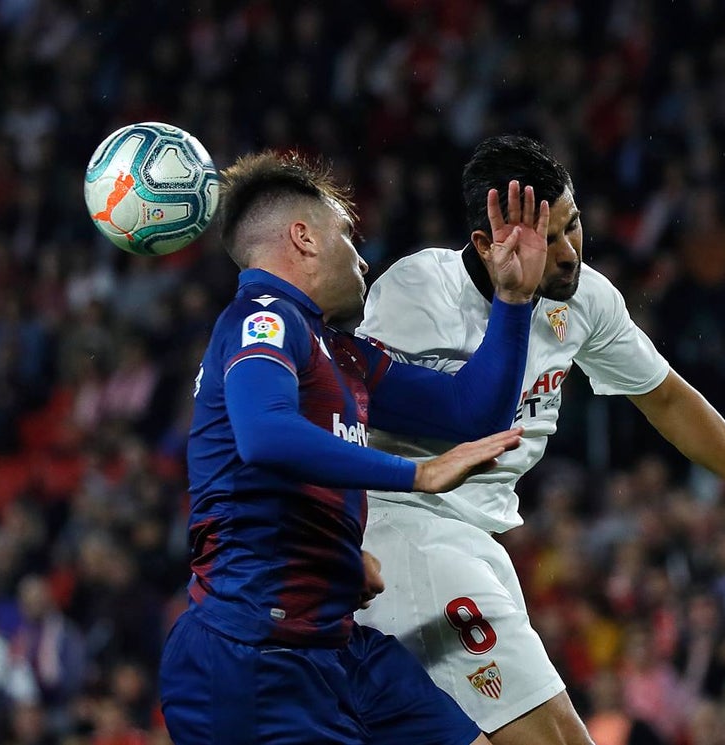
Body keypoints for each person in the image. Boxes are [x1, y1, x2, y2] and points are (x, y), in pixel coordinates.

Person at [355, 135, 725, 744]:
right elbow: (382, 414)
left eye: (572, 226)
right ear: (486, 243)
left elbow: (665, 396)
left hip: (480, 539)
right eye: (543, 239)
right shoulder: (419, 290)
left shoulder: (585, 298)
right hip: (405, 526)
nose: (568, 254)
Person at [158, 150, 552, 745]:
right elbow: (265, 435)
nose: (361, 257)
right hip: (253, 658)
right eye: (347, 235)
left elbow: (472, 410)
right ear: (304, 238)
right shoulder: (260, 319)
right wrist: (416, 474)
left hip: (338, 645)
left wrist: (513, 301)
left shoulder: (341, 352)